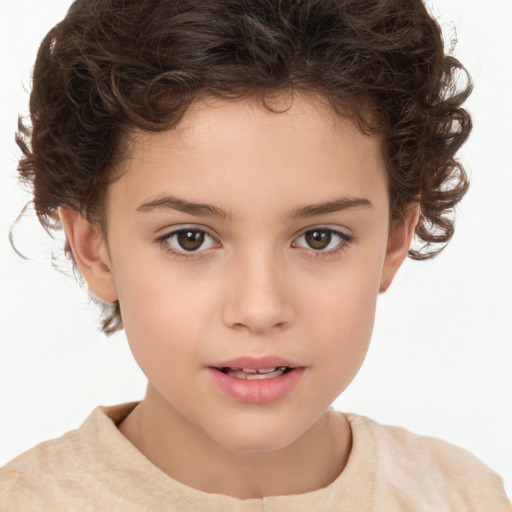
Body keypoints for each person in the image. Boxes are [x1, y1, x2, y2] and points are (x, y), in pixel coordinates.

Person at [1, 0, 510, 509]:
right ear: (96, 250)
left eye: (320, 238)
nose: (260, 309)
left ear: (396, 239)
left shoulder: (463, 496)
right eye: (190, 239)